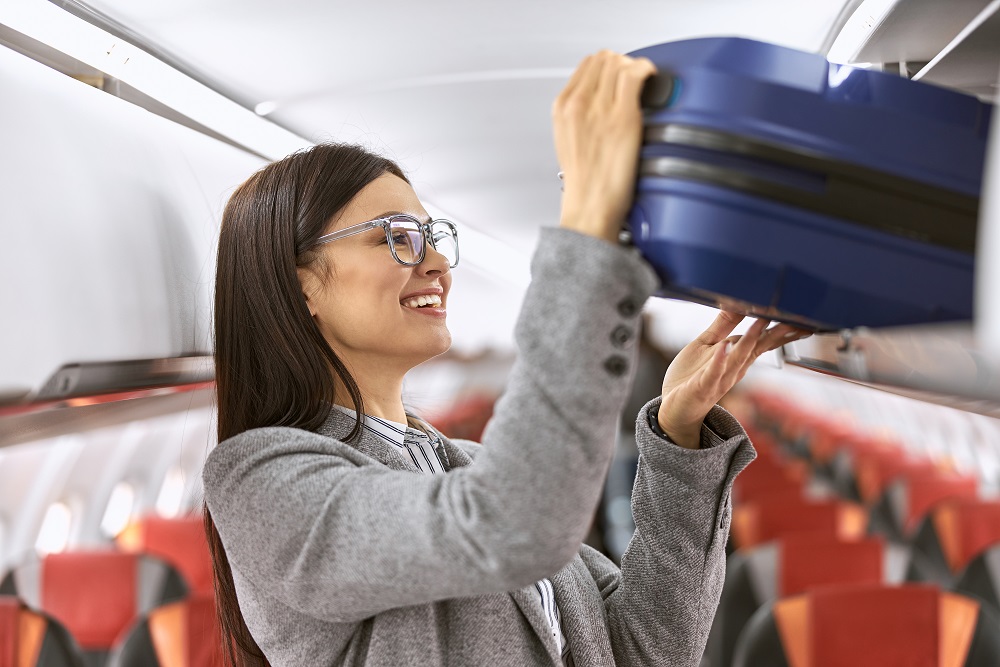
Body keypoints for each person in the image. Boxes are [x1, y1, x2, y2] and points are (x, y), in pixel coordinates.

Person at [202, 50, 809, 667]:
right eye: (397, 237)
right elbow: (511, 523)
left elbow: (646, 650)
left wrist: (678, 434)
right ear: (300, 282)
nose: (436, 262)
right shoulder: (258, 482)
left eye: (432, 237)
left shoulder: (467, 464)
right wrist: (588, 231)